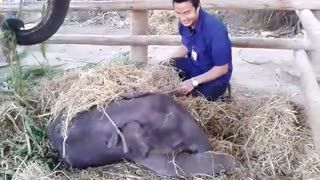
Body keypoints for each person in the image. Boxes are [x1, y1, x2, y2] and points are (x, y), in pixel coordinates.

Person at [161, 0, 233, 101]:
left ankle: (223, 91)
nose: (183, 18)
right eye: (178, 13)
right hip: (194, 66)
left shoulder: (216, 31)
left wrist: (193, 82)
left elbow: (222, 69)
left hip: (214, 78)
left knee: (193, 101)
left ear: (198, 7)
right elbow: (186, 46)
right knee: (167, 66)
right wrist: (164, 64)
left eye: (187, 12)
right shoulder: (184, 24)